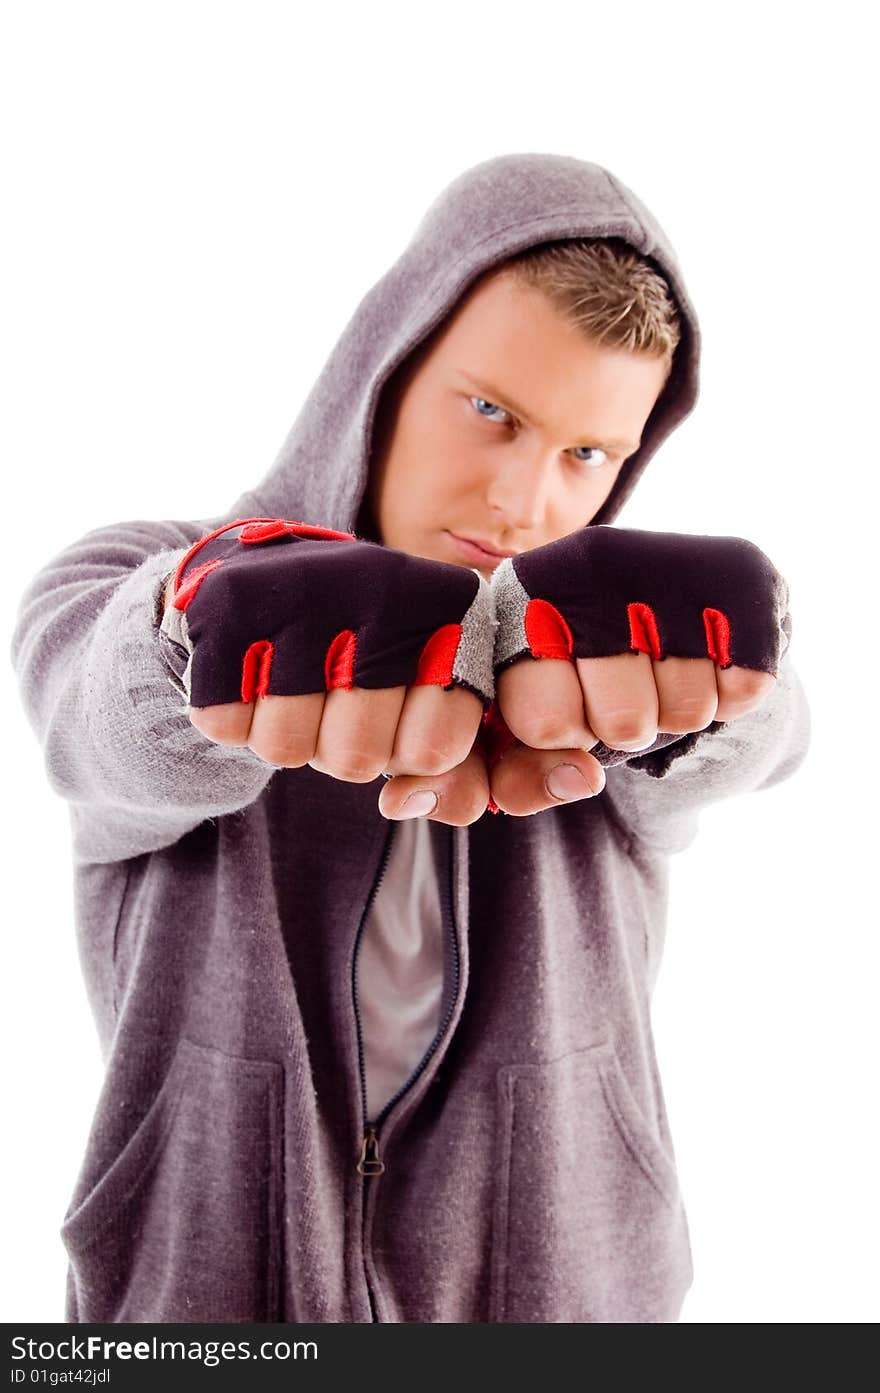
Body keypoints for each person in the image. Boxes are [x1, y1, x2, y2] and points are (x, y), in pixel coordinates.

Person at [10, 152, 811, 1324]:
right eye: (492, 412)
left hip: (569, 1286)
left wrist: (728, 674)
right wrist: (206, 625)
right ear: (381, 373)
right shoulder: (138, 575)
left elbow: (770, 739)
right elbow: (91, 717)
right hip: (201, 1295)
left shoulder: (612, 653)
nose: (525, 501)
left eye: (587, 454)